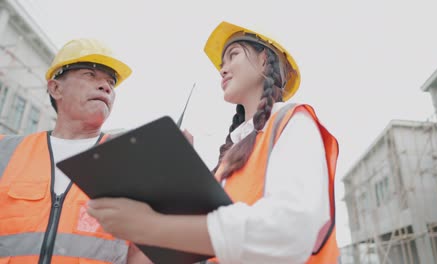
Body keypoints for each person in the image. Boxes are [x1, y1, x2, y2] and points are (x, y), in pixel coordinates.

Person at [87, 21, 340, 263]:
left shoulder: (293, 121)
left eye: (233, 55)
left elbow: (291, 229)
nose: (223, 69)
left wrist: (153, 226)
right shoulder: (230, 158)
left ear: (264, 58)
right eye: (222, 62)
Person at [0, 38, 151, 263]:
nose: (106, 86)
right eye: (90, 75)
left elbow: (142, 251)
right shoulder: (5, 151)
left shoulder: (129, 160)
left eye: (111, 81)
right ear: (55, 88)